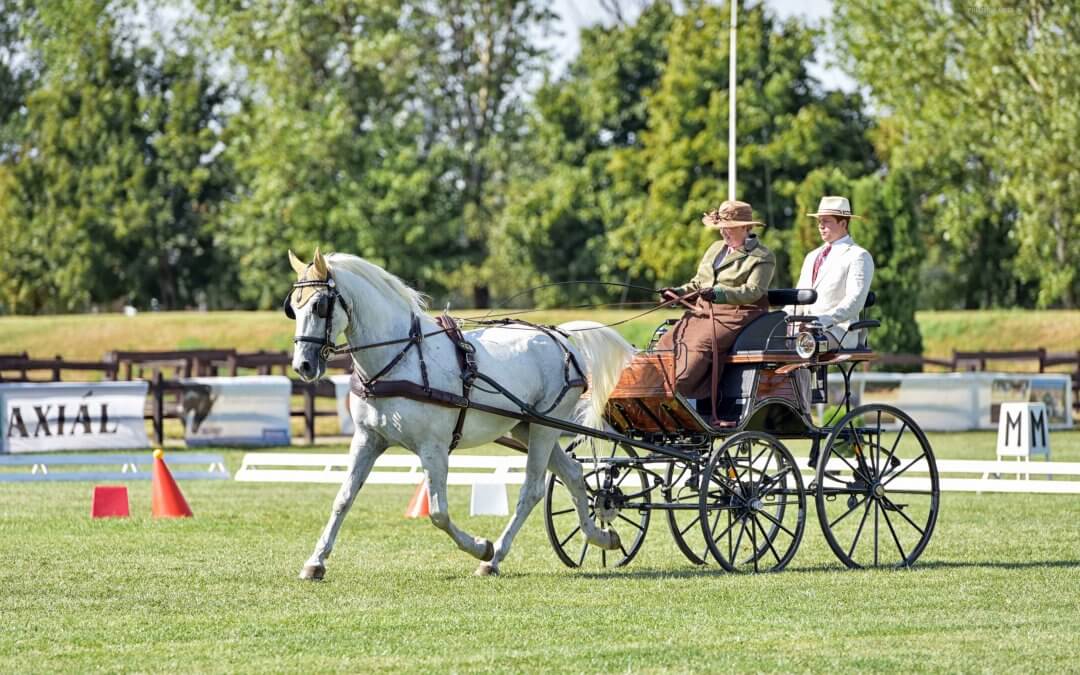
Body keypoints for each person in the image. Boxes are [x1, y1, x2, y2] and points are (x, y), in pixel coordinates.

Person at [656, 199, 775, 402]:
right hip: (703, 311)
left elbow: (753, 291)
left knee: (700, 345)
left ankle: (683, 392)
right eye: (720, 228)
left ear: (745, 227)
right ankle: (655, 384)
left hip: (737, 314)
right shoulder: (715, 248)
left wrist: (720, 293)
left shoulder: (762, 256)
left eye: (728, 228)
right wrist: (677, 293)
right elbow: (697, 283)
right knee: (668, 340)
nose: (723, 232)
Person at [787, 196, 875, 349]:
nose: (820, 226)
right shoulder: (812, 256)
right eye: (819, 221)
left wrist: (823, 320)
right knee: (775, 343)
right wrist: (781, 319)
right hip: (805, 331)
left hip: (839, 332)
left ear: (843, 223)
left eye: (826, 221)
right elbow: (798, 297)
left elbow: (855, 301)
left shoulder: (858, 256)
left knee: (802, 345)